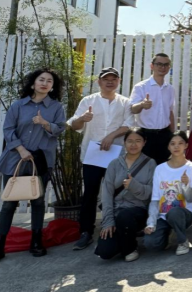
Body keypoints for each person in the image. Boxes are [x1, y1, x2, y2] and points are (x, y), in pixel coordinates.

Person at [0, 69, 67, 267]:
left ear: (52, 87)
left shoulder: (56, 107)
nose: (45, 83)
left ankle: (36, 242)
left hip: (41, 160)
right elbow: (8, 130)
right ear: (33, 83)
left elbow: (59, 129)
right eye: (41, 79)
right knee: (9, 204)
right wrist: (21, 149)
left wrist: (45, 123)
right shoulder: (18, 106)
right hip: (15, 159)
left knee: (38, 202)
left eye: (49, 81)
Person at [69, 67, 135, 251]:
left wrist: (111, 136)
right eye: (106, 79)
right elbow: (74, 125)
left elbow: (129, 125)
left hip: (116, 155)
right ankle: (86, 232)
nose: (110, 82)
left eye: (114, 79)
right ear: (99, 82)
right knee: (90, 192)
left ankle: (117, 227)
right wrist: (82, 119)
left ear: (119, 81)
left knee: (118, 191)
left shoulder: (125, 102)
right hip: (92, 155)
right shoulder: (88, 100)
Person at [95, 128, 156, 262]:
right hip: (117, 212)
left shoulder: (150, 163)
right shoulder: (114, 164)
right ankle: (124, 238)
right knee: (105, 252)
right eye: (130, 141)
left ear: (144, 143)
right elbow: (107, 195)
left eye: (138, 141)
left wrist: (134, 185)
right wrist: (108, 221)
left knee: (125, 216)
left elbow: (150, 193)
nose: (133, 145)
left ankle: (130, 248)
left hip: (138, 211)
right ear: (124, 143)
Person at [144, 131, 192, 256]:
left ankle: (182, 241)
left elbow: (191, 199)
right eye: (173, 143)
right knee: (150, 243)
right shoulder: (160, 169)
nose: (176, 146)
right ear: (168, 146)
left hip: (185, 214)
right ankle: (167, 236)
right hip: (163, 215)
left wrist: (186, 185)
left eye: (180, 143)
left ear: (186, 145)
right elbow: (155, 199)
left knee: (174, 212)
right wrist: (151, 222)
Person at [130, 53, 177, 165]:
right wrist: (142, 104)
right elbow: (133, 109)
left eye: (166, 65)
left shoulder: (170, 89)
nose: (162, 67)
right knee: (144, 167)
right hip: (146, 135)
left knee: (163, 166)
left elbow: (170, 111)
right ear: (152, 66)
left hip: (165, 134)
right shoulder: (141, 87)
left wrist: (172, 134)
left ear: (169, 67)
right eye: (159, 64)